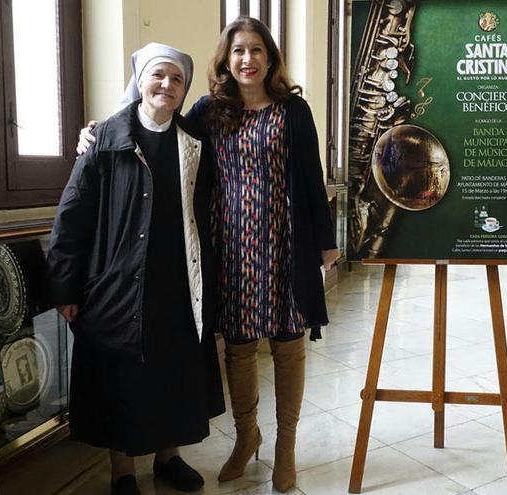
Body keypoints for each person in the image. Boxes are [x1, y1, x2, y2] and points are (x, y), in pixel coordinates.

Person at [78, 16, 337, 492]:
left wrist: (325, 243)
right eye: (238, 50)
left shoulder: (293, 111)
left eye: (257, 50)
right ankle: (246, 438)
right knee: (238, 351)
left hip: (285, 248)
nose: (247, 59)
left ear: (270, 57)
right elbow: (156, 123)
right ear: (225, 59)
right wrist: (96, 133)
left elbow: (311, 177)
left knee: (287, 347)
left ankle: (285, 449)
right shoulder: (208, 111)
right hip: (229, 252)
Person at [47, 43, 224, 495]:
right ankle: (122, 471)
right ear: (141, 80)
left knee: (172, 374)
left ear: (185, 90)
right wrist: (66, 287)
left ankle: (169, 458)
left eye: (177, 79)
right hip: (116, 285)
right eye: (158, 75)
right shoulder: (105, 138)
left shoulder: (194, 144)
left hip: (178, 282)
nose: (167, 85)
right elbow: (71, 216)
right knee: (121, 380)